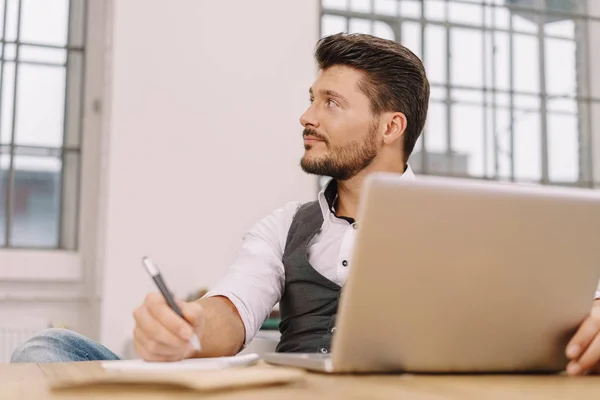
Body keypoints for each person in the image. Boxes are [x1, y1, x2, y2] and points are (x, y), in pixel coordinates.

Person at [10, 33, 600, 376]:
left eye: (331, 103)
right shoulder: (282, 227)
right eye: (310, 99)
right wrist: (190, 331)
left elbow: (562, 295)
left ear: (390, 125)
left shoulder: (470, 223)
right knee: (46, 350)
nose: (307, 116)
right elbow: (232, 308)